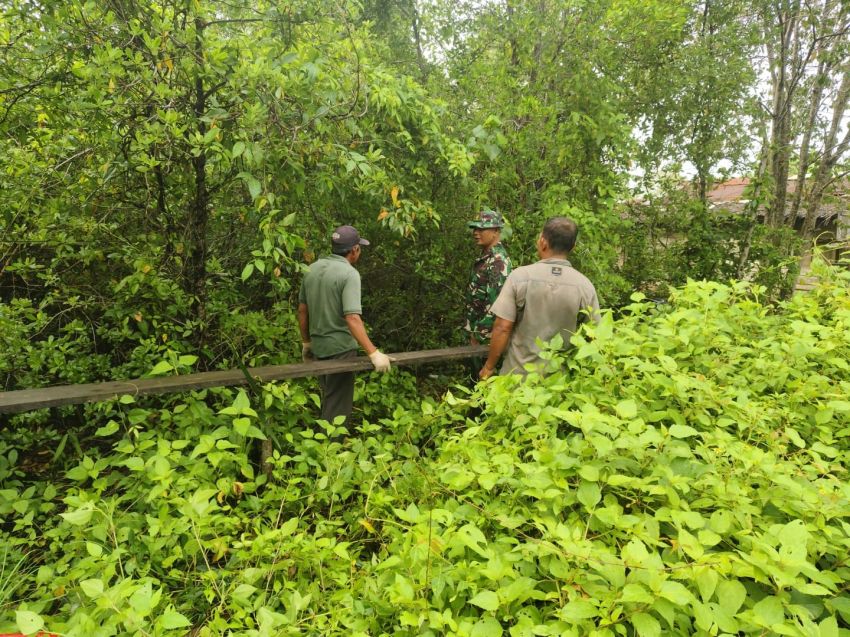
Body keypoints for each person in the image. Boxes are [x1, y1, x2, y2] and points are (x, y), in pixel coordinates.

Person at [479, 216, 599, 379]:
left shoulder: (520, 277)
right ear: (573, 247)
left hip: (517, 378)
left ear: (543, 242)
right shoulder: (584, 286)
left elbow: (502, 327)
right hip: (559, 383)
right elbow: (595, 336)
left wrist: (489, 367)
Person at [298, 225, 392, 423]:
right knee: (338, 409)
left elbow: (302, 311)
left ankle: (321, 440)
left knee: (329, 399)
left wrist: (306, 343)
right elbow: (352, 318)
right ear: (354, 250)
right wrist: (374, 353)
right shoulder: (349, 274)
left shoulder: (311, 269)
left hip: (319, 347)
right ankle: (330, 442)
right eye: (359, 248)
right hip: (341, 350)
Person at [464, 208, 512, 346]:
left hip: (486, 339)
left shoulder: (498, 262)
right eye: (475, 229)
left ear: (496, 231)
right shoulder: (486, 257)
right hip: (476, 331)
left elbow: (496, 304)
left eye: (481, 229)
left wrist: (479, 335)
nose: (475, 233)